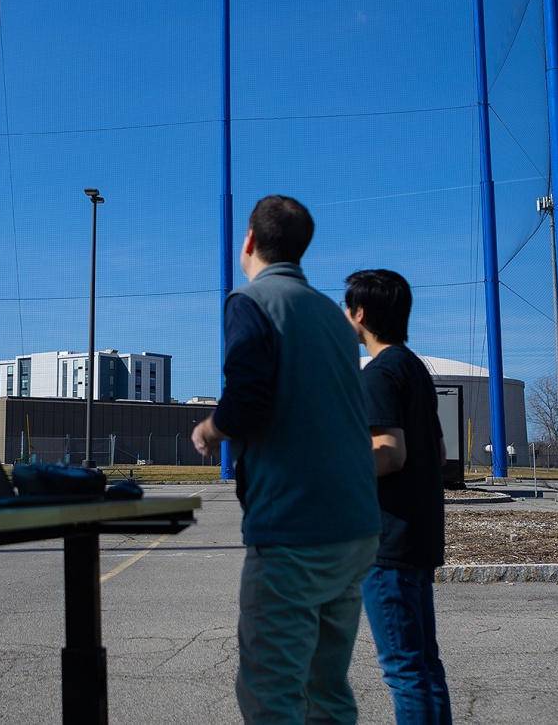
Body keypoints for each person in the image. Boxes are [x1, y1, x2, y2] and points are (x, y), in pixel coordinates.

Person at [191, 195, 379, 724]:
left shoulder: (251, 301)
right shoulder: (334, 319)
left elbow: (248, 396)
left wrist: (209, 430)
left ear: (249, 241)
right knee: (327, 691)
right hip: (356, 526)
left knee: (272, 695)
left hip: (295, 530)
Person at [342, 269, 452, 725]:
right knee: (424, 664)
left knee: (404, 669)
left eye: (346, 310)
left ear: (361, 314)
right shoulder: (414, 368)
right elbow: (441, 451)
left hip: (388, 544)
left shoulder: (380, 373)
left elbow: (388, 452)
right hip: (419, 535)